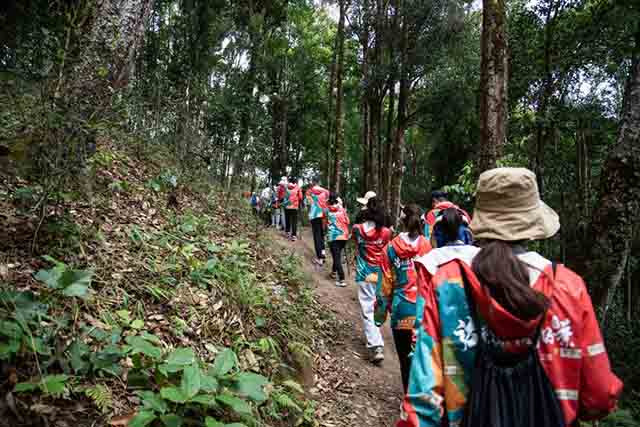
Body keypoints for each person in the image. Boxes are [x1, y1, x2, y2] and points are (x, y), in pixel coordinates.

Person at [399, 168, 623, 427]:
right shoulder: (568, 286)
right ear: (533, 225)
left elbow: (422, 403)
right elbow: (599, 396)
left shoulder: (449, 283)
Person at [374, 204, 432, 391]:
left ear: (402, 221)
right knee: (423, 357)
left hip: (401, 310)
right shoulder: (428, 247)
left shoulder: (390, 249)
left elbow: (384, 285)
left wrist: (380, 315)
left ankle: (408, 400)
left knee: (404, 358)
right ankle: (423, 400)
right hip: (424, 310)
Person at [352, 196, 393, 363]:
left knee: (367, 308)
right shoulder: (387, 232)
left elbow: (356, 244)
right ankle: (377, 338)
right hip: (381, 274)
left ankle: (376, 345)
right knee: (377, 306)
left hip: (364, 274)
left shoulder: (357, 229)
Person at [325, 193, 350, 287]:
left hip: (333, 236)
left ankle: (342, 279)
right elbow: (348, 221)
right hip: (343, 235)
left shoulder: (327, 210)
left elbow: (325, 222)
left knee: (336, 257)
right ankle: (333, 272)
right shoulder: (342, 210)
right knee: (337, 254)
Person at [306, 177, 330, 265]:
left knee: (316, 236)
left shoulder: (309, 191)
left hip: (314, 215)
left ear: (313, 182)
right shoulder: (326, 192)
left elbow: (308, 204)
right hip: (323, 215)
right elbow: (328, 203)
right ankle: (323, 254)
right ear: (319, 182)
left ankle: (319, 257)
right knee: (321, 234)